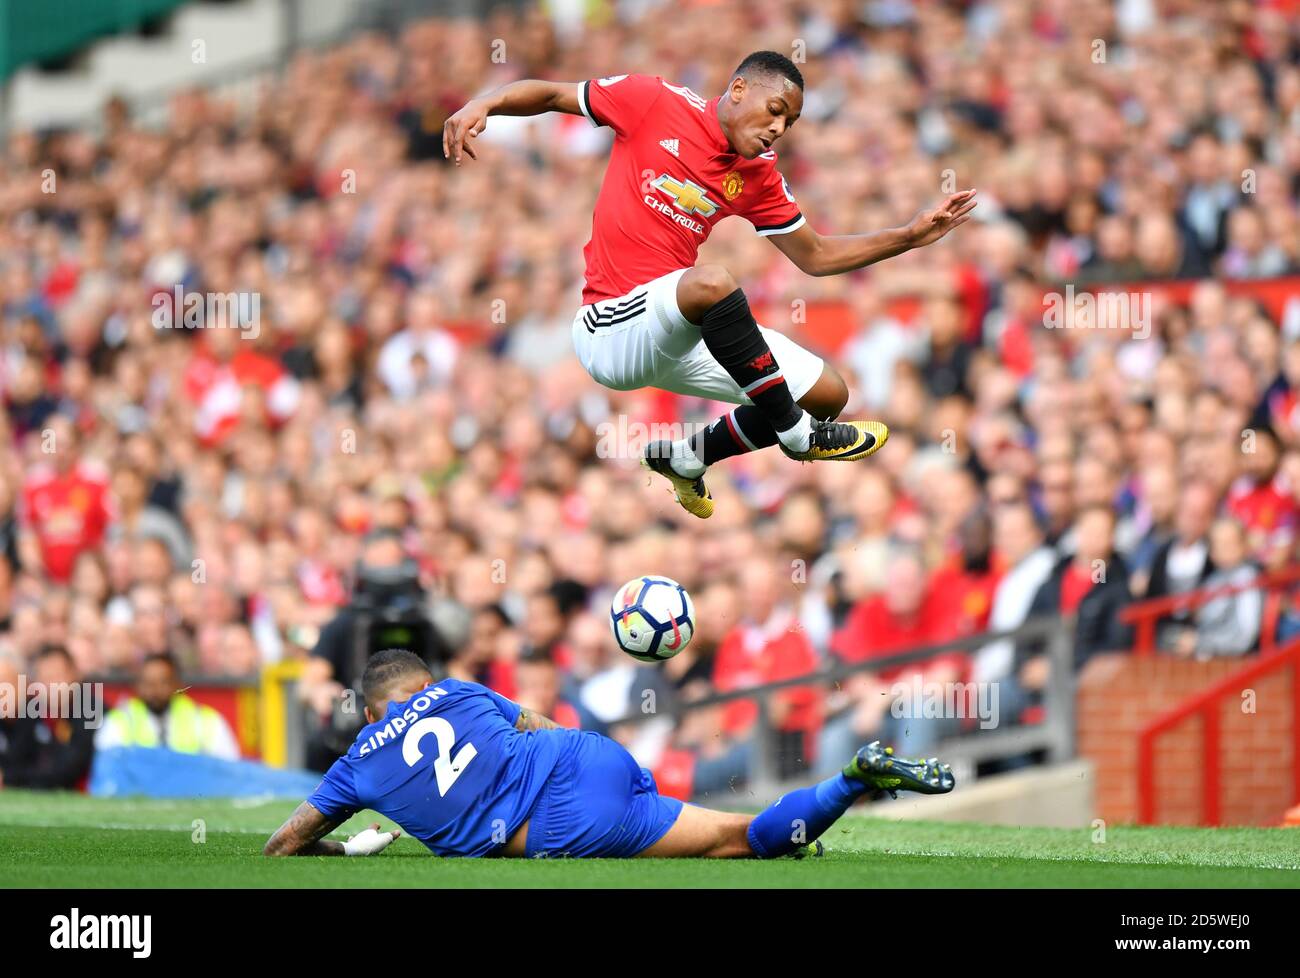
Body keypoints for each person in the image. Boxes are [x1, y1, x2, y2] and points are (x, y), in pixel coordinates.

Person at [442, 52, 976, 517]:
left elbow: (815, 256)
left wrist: (908, 236)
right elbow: (555, 93)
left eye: (788, 123)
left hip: (677, 329)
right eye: (775, 111)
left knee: (827, 394)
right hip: (609, 326)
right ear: (739, 88)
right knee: (713, 283)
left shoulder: (758, 173)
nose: (777, 130)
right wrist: (484, 103)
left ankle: (689, 457)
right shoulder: (652, 101)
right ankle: (794, 436)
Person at [263, 650, 953, 859]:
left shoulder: (355, 762)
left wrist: (345, 852)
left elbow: (283, 846)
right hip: (586, 756)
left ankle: (850, 780)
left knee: (734, 844)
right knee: (734, 831)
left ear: (376, 708)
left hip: (558, 822)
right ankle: (838, 790)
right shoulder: (458, 688)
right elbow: (533, 721)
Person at [95, 653, 240, 759]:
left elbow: (227, 769)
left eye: (163, 683)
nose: (155, 691)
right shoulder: (119, 721)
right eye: (148, 683)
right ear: (137, 686)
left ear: (178, 685)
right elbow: (108, 769)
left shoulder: (205, 720)